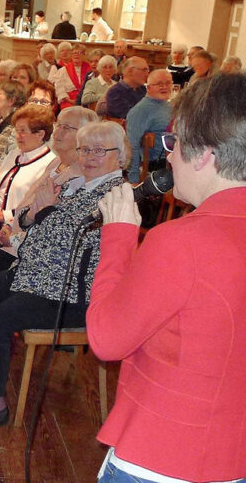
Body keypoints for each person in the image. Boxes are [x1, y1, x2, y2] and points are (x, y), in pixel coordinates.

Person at [87, 73, 246, 483]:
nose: (169, 156)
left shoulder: (180, 242)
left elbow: (107, 339)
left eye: (174, 144)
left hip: (162, 457)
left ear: (205, 155)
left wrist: (119, 238)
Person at [0, 120, 127, 431]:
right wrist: (40, 212)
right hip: (35, 275)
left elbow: (69, 238)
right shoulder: (82, 184)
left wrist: (44, 211)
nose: (89, 156)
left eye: (100, 150)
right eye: (85, 148)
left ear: (122, 155)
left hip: (68, 293)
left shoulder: (117, 194)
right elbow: (32, 220)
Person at [0, 105, 57, 256]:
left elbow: (34, 205)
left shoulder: (48, 165)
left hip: (11, 227)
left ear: (40, 134)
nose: (17, 135)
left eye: (23, 131)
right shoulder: (15, 153)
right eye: (17, 130)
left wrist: (2, 215)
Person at [125, 69, 173, 183]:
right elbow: (132, 145)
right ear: (149, 87)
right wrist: (134, 179)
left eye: (168, 83)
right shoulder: (140, 110)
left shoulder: (168, 105)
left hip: (174, 161)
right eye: (159, 84)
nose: (164, 87)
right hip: (160, 167)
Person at [54, 43, 91, 109]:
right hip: (69, 101)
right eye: (74, 53)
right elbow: (59, 88)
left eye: (79, 52)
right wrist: (70, 100)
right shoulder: (63, 70)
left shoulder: (90, 69)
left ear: (84, 55)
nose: (76, 55)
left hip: (86, 99)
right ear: (71, 55)